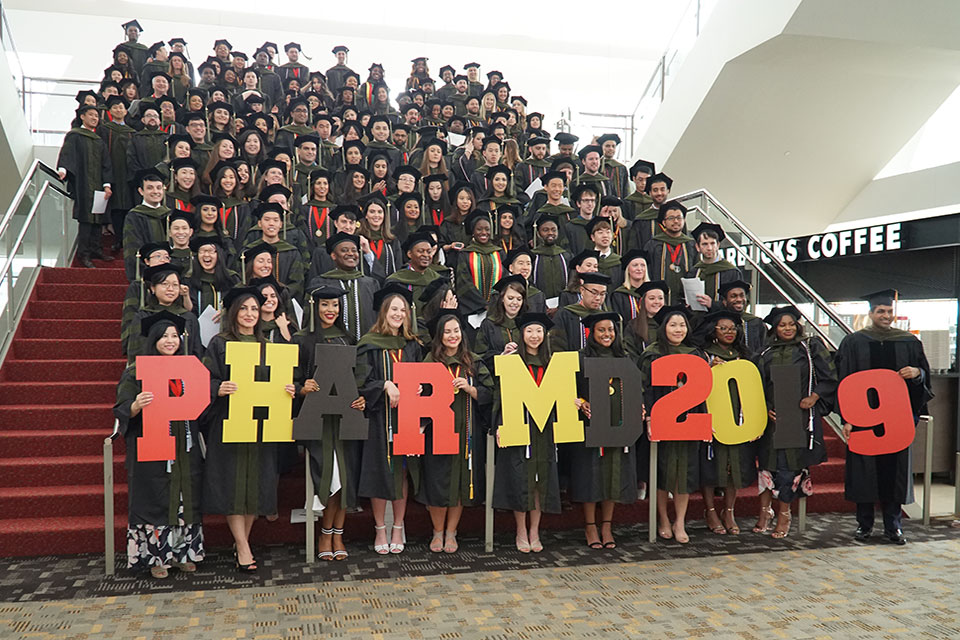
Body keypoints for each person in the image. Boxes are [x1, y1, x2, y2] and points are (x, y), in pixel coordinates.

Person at [202, 287, 290, 572]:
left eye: (254, 308)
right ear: (233, 313)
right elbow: (205, 380)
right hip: (229, 422)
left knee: (254, 485)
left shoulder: (268, 346)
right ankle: (242, 545)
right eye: (244, 309)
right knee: (233, 485)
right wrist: (218, 387)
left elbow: (275, 383)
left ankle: (243, 541)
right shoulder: (219, 343)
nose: (250, 314)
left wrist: (287, 388)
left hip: (261, 424)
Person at [836, 290, 933, 545]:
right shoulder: (854, 342)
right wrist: (847, 417)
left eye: (890, 312)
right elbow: (843, 380)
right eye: (881, 311)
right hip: (863, 419)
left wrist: (917, 372)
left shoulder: (908, 342)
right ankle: (863, 526)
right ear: (870, 314)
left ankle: (894, 526)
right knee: (864, 472)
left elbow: (925, 375)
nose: (886, 316)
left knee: (896, 472)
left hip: (896, 419)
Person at [113, 311, 205, 579]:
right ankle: (156, 557)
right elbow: (121, 408)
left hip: (184, 446)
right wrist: (135, 406)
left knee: (184, 497)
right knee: (156, 496)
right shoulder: (136, 371)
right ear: (153, 339)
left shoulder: (190, 370)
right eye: (164, 336)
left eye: (175, 336)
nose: (170, 341)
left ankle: (184, 553)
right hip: (152, 444)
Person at [294, 284, 366, 561]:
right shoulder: (303, 340)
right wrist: (303, 387)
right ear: (315, 306)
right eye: (325, 305)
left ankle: (338, 533)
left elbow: (356, 380)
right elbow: (293, 379)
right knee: (329, 477)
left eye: (335, 305)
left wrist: (360, 400)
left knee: (344, 480)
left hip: (344, 419)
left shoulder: (348, 339)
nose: (330, 310)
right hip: (318, 421)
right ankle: (325, 534)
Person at [755, 306, 838, 540]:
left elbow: (829, 377)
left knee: (788, 467)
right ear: (775, 328)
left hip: (800, 418)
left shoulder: (810, 348)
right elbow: (756, 386)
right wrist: (764, 408)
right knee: (767, 466)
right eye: (782, 325)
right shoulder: (764, 353)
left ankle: (784, 514)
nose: (788, 328)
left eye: (791, 324)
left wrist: (815, 396)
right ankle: (765, 512)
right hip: (772, 420)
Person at [355, 284, 423, 554]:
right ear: (384, 312)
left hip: (407, 416)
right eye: (394, 309)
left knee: (401, 472)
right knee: (379, 470)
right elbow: (360, 380)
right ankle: (380, 529)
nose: (398, 313)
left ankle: (398, 526)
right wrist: (384, 384)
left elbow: (424, 379)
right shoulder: (368, 343)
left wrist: (421, 387)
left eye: (402, 310)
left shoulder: (412, 345)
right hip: (378, 416)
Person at [419, 311, 494, 553]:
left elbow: (490, 393)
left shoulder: (473, 361)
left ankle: (452, 532)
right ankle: (436, 532)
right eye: (447, 332)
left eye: (456, 331)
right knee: (438, 481)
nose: (453, 336)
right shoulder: (429, 362)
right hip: (437, 431)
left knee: (462, 481)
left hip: (467, 433)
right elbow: (417, 396)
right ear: (439, 337)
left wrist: (470, 388)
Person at [492, 312, 561, 552]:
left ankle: (535, 531)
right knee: (520, 478)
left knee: (540, 480)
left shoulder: (553, 362)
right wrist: (501, 424)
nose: (534, 336)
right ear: (522, 334)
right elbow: (501, 395)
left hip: (544, 430)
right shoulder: (513, 362)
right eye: (530, 331)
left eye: (539, 331)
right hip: (519, 424)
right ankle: (521, 530)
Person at [572, 311, 638, 549]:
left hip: (618, 426)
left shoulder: (625, 357)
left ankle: (607, 526)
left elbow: (633, 388)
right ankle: (590, 526)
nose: (607, 334)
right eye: (601, 330)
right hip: (590, 427)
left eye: (610, 330)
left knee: (613, 474)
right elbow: (568, 389)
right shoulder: (580, 359)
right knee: (591, 475)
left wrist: (637, 407)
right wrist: (579, 402)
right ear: (591, 332)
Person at [640, 305, 705, 543]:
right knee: (662, 472)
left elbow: (703, 393)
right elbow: (645, 389)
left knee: (684, 474)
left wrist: (704, 420)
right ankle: (663, 519)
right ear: (663, 328)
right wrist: (649, 419)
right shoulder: (652, 354)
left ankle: (680, 521)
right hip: (662, 420)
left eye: (682, 325)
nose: (678, 329)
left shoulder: (696, 355)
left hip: (688, 421)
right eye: (673, 325)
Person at [698, 310, 757, 536]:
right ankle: (711, 511)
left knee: (735, 467)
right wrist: (709, 369)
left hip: (738, 417)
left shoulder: (744, 355)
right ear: (713, 331)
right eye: (722, 328)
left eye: (732, 328)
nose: (728, 332)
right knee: (711, 466)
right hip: (713, 416)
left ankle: (729, 512)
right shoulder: (703, 355)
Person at [57, 104, 114, 268]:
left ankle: (97, 249)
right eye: (91, 115)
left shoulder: (99, 141)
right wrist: (63, 169)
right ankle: (84, 253)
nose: (95, 118)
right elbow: (67, 154)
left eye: (96, 116)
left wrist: (107, 185)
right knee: (86, 219)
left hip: (98, 185)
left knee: (98, 217)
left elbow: (106, 164)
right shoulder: (74, 136)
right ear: (82, 116)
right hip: (83, 184)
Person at [308, 232, 380, 343]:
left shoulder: (370, 283)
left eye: (354, 250)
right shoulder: (320, 283)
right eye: (344, 250)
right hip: (332, 346)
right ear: (333, 256)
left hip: (367, 348)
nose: (351, 254)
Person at [644, 200, 695, 305]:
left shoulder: (691, 244)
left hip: (685, 301)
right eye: (671, 218)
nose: (675, 221)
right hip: (659, 301)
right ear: (664, 222)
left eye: (679, 218)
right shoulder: (653, 245)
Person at [122, 168, 170, 280]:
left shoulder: (169, 214)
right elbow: (133, 250)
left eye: (159, 188)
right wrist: (146, 273)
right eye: (150, 188)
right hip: (148, 274)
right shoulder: (134, 216)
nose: (155, 192)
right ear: (141, 191)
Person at [455, 210, 504, 316]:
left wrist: (495, 303)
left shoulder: (499, 253)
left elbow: (504, 280)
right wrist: (482, 304)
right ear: (473, 231)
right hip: (472, 311)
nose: (483, 233)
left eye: (487, 229)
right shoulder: (465, 254)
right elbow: (464, 282)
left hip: (497, 308)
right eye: (479, 229)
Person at [474, 274, 528, 370]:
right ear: (502, 299)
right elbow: (479, 356)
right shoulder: (489, 324)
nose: (515, 303)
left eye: (519, 299)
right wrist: (502, 355)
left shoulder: (528, 324)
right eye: (510, 298)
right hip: (497, 379)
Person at [550, 271, 610, 352]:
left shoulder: (607, 318)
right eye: (594, 292)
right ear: (582, 290)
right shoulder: (565, 315)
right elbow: (556, 345)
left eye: (602, 294)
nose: (598, 298)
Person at [687, 222, 742, 306]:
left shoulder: (732, 272)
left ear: (718, 245)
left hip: (723, 317)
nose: (709, 248)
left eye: (712, 243)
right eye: (705, 244)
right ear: (698, 247)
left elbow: (738, 303)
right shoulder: (693, 272)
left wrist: (713, 304)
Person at [385, 231, 443, 306]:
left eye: (429, 252)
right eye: (420, 251)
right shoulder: (396, 282)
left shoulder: (438, 280)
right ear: (409, 254)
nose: (426, 255)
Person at [529, 213, 572, 307]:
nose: (550, 233)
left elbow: (570, 281)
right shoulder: (533, 256)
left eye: (554, 230)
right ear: (538, 232)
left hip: (563, 306)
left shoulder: (565, 256)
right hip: (539, 305)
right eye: (545, 230)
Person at [718, 280, 766, 354]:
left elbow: (764, 346)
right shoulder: (718, 321)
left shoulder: (755, 322)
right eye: (733, 296)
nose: (739, 299)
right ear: (724, 301)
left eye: (742, 296)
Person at [597, 133, 629, 199]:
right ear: (602, 147)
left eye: (613, 146)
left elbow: (626, 189)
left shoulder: (621, 167)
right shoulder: (597, 165)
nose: (611, 148)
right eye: (607, 146)